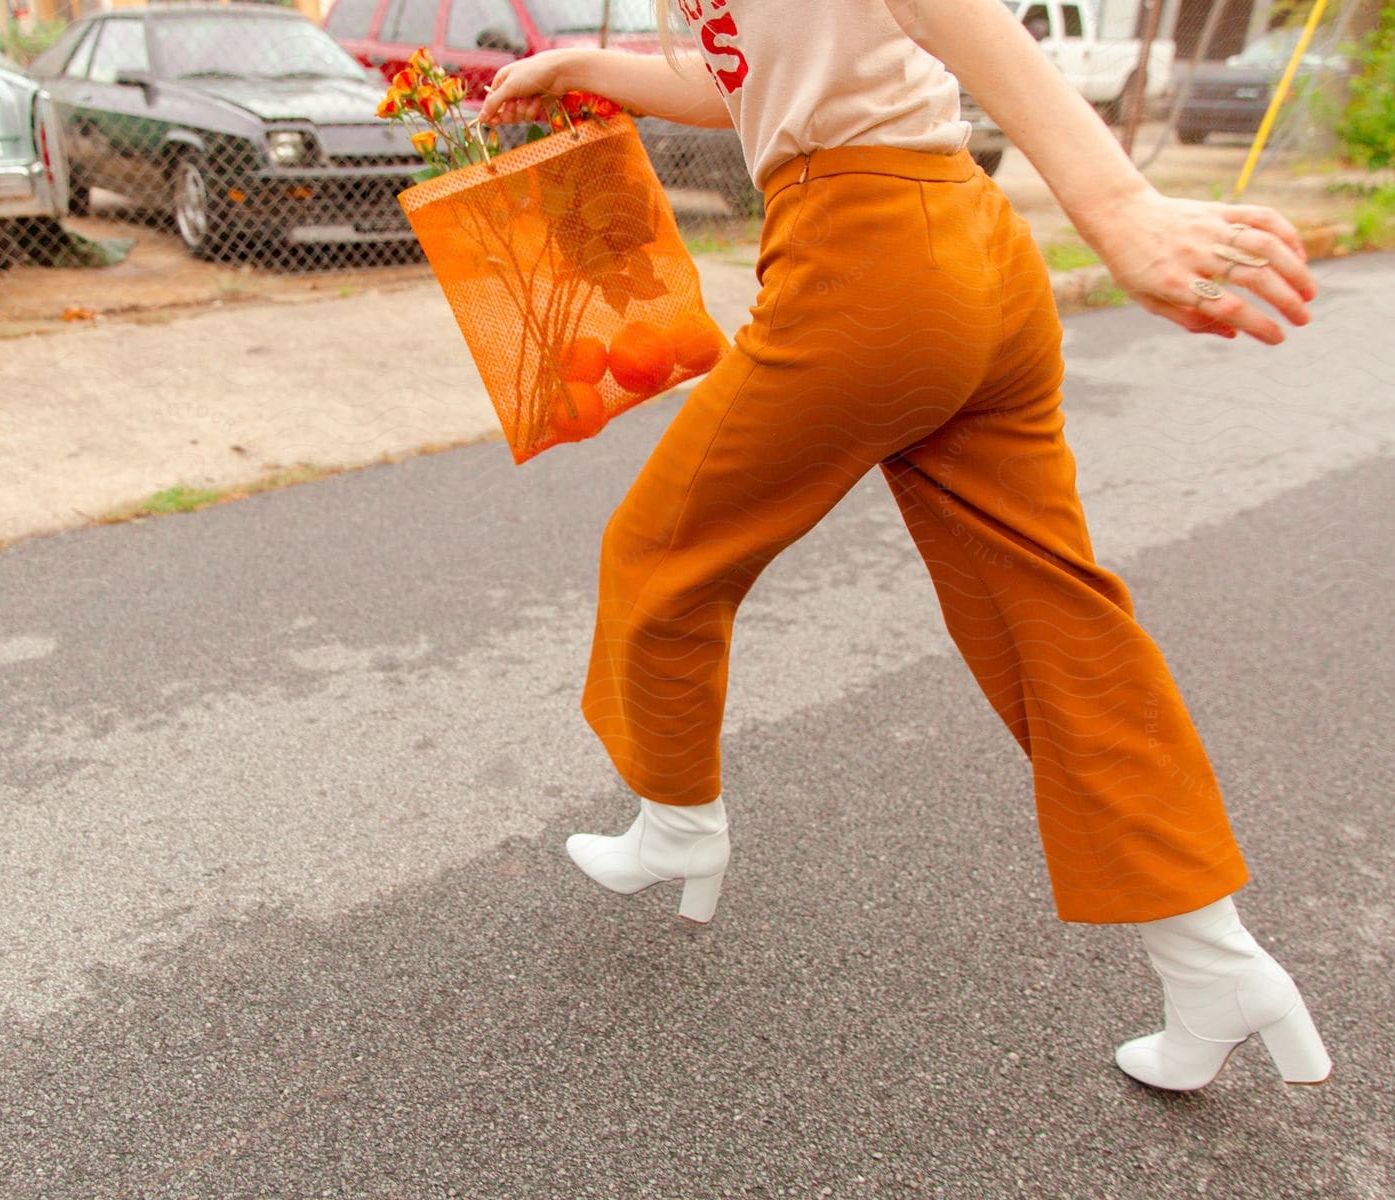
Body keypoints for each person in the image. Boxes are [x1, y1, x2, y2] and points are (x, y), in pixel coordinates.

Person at [477, 0, 1332, 1092]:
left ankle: (678, 818)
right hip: (970, 248)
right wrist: (583, 61)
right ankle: (1214, 962)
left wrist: (1119, 205)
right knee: (1051, 617)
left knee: (662, 554)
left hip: (869, 252)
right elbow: (744, 83)